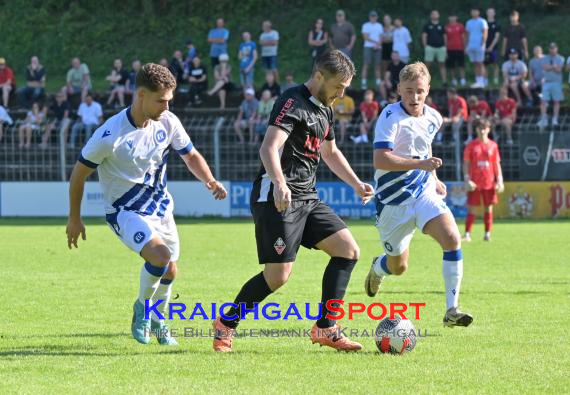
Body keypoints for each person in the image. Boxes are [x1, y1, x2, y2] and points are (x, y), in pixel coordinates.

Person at [212, 50, 374, 353]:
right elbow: (269, 148)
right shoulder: (292, 101)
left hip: (307, 198)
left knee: (348, 251)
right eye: (338, 86)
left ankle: (326, 327)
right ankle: (226, 324)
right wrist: (279, 183)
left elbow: (331, 153)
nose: (341, 94)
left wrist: (356, 183)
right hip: (276, 197)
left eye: (345, 88)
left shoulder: (325, 109)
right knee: (278, 277)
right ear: (319, 77)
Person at [66, 63, 227, 346]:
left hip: (161, 208)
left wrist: (210, 181)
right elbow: (79, 175)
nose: (166, 106)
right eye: (161, 100)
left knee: (171, 269)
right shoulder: (110, 135)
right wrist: (74, 218)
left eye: (169, 100)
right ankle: (143, 309)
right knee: (160, 257)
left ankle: (158, 318)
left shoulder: (168, 122)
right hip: (124, 211)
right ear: (141, 95)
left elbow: (190, 156)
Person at [365, 61, 473, 329]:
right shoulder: (390, 117)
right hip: (393, 202)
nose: (415, 97)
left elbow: (424, 148)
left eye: (420, 91)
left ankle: (451, 310)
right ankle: (379, 267)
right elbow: (381, 159)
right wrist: (419, 164)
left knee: (451, 237)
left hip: (423, 192)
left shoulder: (434, 117)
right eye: (409, 90)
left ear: (428, 90)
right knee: (398, 267)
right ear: (399, 89)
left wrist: (434, 178)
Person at [463, 118, 504, 242]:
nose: (482, 131)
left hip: (489, 182)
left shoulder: (493, 145)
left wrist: (500, 179)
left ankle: (487, 234)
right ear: (476, 129)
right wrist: (466, 179)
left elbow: (496, 164)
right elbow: (466, 163)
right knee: (472, 209)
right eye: (480, 128)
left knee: (488, 208)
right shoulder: (471, 145)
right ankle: (467, 235)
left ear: (488, 130)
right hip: (474, 183)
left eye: (484, 128)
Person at [537, 42, 565, 130]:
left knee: (557, 101)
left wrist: (550, 67)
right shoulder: (544, 58)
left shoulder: (561, 58)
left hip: (557, 82)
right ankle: (544, 119)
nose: (552, 50)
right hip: (547, 82)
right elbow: (544, 67)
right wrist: (553, 67)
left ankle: (555, 118)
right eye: (551, 48)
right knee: (543, 101)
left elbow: (559, 70)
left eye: (554, 48)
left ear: (557, 49)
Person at [422, 10, 447, 86]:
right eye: (433, 14)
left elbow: (445, 36)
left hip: (441, 47)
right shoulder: (427, 25)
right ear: (431, 15)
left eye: (436, 14)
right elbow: (424, 36)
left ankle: (444, 81)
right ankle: (425, 81)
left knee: (442, 64)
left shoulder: (442, 25)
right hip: (430, 47)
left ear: (438, 15)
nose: (434, 15)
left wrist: (445, 47)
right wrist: (425, 46)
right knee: (427, 64)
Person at [465, 8, 488, 88]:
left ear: (478, 12)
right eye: (473, 11)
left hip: (479, 45)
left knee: (480, 63)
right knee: (475, 63)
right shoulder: (469, 22)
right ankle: (478, 81)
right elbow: (467, 35)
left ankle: (483, 81)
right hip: (471, 45)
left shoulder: (482, 21)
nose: (474, 12)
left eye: (475, 11)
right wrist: (466, 46)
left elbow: (485, 32)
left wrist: (483, 43)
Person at [361, 10, 383, 90]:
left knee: (377, 66)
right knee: (366, 65)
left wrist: (378, 44)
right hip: (368, 47)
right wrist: (375, 42)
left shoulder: (379, 26)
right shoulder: (366, 25)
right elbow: (365, 37)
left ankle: (378, 84)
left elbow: (381, 37)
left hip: (378, 47)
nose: (373, 18)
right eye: (372, 16)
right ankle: (363, 84)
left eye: (374, 16)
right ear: (369, 17)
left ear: (377, 17)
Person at [445, 14, 466, 86]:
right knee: (452, 66)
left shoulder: (460, 26)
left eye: (454, 16)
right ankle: (454, 80)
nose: (452, 18)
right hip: (450, 49)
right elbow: (445, 39)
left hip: (460, 48)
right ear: (448, 17)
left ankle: (463, 80)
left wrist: (464, 47)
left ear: (456, 17)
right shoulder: (446, 27)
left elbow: (463, 37)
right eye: (451, 16)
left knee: (461, 65)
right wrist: (446, 49)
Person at [484, 8, 502, 85]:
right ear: (486, 13)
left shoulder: (497, 23)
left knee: (495, 63)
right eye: (489, 12)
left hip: (493, 47)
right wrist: (484, 46)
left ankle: (495, 80)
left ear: (494, 13)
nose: (490, 14)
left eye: (492, 12)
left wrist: (491, 46)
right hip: (484, 47)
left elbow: (497, 36)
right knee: (484, 64)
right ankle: (485, 80)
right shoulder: (483, 23)